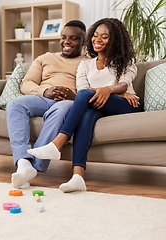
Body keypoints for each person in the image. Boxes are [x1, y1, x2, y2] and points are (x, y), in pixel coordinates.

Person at [27, 18, 141, 193]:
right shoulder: (85, 65)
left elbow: (124, 84)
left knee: (87, 95)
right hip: (98, 106)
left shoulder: (126, 61)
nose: (98, 40)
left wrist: (110, 90)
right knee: (86, 114)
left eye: (105, 37)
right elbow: (82, 91)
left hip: (126, 104)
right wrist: (104, 91)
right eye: (95, 36)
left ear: (115, 40)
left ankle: (57, 143)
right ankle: (77, 177)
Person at [6, 20, 87, 189]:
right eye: (64, 37)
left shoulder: (89, 63)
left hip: (68, 101)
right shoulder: (45, 58)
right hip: (43, 97)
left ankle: (36, 166)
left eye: (73, 38)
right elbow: (27, 83)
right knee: (15, 104)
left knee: (63, 109)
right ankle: (23, 163)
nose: (67, 41)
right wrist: (45, 92)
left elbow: (90, 91)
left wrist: (75, 96)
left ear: (83, 41)